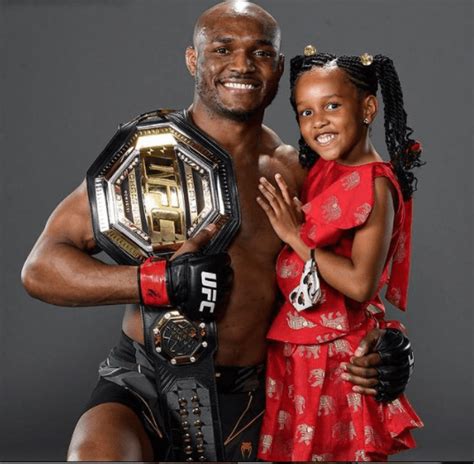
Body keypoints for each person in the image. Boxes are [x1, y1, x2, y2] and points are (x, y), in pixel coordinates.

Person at [21, 2, 414, 461]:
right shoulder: (150, 156)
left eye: (261, 53)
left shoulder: (298, 172)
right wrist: (158, 282)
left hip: (258, 396)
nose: (242, 65)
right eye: (223, 49)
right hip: (145, 383)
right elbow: (41, 269)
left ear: (280, 67)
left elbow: (349, 280)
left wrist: (385, 345)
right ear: (193, 59)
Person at [256, 50, 424, 461]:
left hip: (336, 359)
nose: (318, 122)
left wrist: (295, 237)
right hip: (296, 350)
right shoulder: (326, 169)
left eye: (332, 106)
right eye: (305, 112)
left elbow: (359, 283)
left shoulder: (375, 185)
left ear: (368, 108)